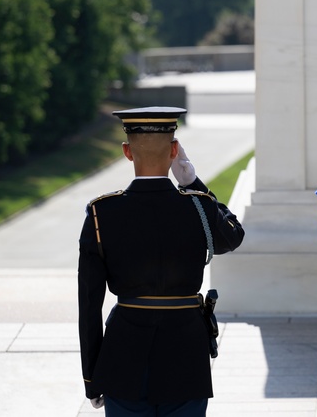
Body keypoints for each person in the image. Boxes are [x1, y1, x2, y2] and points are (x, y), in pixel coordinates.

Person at [78, 106, 245, 416]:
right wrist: (194, 182)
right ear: (174, 150)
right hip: (186, 358)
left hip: (123, 359)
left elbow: (89, 305)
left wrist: (92, 377)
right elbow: (233, 235)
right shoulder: (199, 207)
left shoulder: (102, 213)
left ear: (127, 152)